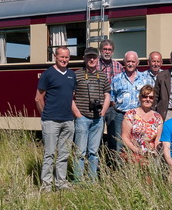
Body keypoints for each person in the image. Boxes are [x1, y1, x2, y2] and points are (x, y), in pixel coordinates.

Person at [34, 46, 76, 191]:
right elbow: (38, 98)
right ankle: (46, 185)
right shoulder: (48, 74)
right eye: (61, 57)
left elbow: (71, 98)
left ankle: (61, 183)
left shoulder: (72, 74)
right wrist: (45, 116)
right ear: (55, 57)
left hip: (68, 120)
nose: (64, 60)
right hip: (51, 120)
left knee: (64, 155)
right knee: (49, 154)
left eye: (67, 57)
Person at [71, 47, 110, 181]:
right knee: (80, 152)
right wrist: (77, 113)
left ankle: (92, 180)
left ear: (98, 59)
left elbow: (107, 94)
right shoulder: (77, 75)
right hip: (82, 118)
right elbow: (70, 96)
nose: (92, 59)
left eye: (94, 57)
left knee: (94, 152)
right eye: (89, 57)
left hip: (98, 119)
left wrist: (104, 111)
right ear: (84, 58)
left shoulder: (103, 76)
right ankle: (78, 179)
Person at [110, 51, 155, 152]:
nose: (130, 64)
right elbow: (112, 99)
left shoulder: (145, 79)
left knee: (139, 143)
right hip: (121, 116)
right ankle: (120, 167)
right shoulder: (116, 79)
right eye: (128, 61)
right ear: (124, 62)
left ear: (137, 63)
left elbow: (150, 97)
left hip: (139, 116)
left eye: (133, 61)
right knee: (120, 144)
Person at [120, 84, 163, 164]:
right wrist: (136, 150)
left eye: (151, 97)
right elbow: (124, 137)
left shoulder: (158, 117)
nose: (148, 99)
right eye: (144, 96)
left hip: (150, 157)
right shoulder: (130, 115)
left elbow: (158, 140)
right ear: (140, 97)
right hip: (132, 155)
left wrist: (155, 152)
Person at [98, 39, 125, 153]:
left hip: (113, 108)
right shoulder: (95, 65)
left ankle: (113, 165)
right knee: (97, 137)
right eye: (105, 49)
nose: (107, 52)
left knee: (114, 137)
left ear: (113, 52)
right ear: (100, 50)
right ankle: (97, 165)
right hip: (98, 107)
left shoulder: (119, 66)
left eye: (109, 50)